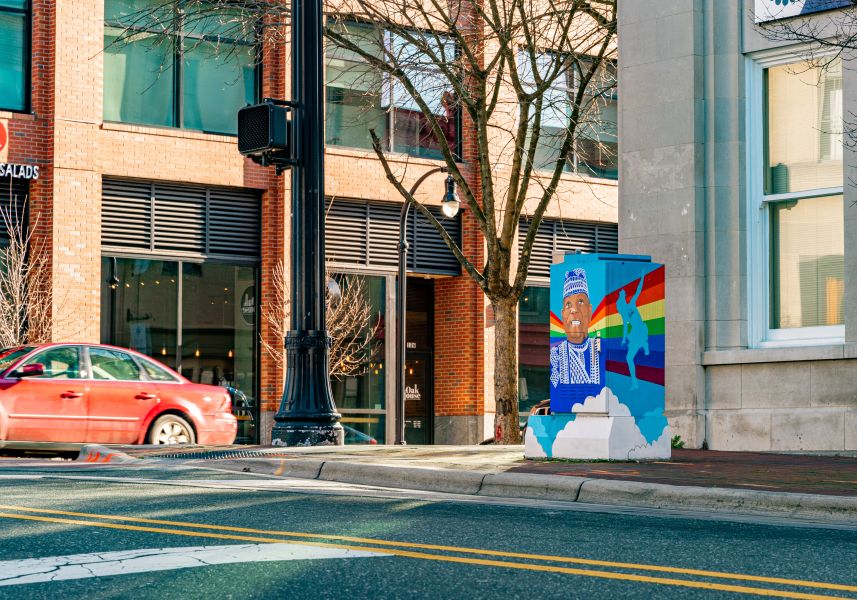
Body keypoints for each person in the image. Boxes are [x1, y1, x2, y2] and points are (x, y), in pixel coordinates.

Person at [549, 268, 604, 411]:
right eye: (568, 305)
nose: (573, 310)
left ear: (590, 311)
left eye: (580, 301)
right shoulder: (556, 355)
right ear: (562, 315)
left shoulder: (601, 348)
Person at [616, 272, 649, 390]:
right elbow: (625, 327)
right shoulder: (627, 311)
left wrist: (643, 276)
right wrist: (624, 339)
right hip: (637, 333)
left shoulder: (631, 305)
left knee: (629, 358)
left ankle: (644, 344)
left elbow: (638, 290)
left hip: (640, 331)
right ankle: (644, 344)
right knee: (629, 358)